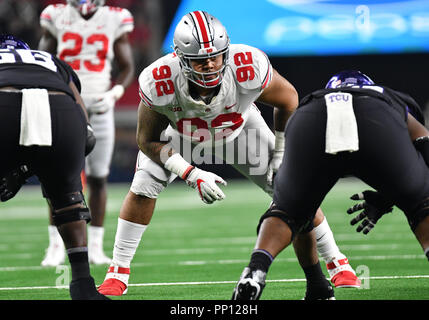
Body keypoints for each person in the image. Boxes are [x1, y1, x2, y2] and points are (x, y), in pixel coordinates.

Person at [97, 11, 359, 296]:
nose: (210, 64)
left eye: (216, 56)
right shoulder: (159, 79)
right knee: (143, 185)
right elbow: (147, 140)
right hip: (181, 134)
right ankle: (118, 270)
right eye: (199, 59)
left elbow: (289, 99)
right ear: (181, 59)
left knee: (292, 190)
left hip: (239, 128)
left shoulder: (247, 64)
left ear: (227, 50)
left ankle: (337, 262)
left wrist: (282, 152)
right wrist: (191, 173)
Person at [231, 70, 429, 300]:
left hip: (311, 118)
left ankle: (258, 269)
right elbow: (422, 146)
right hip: (376, 117)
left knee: (290, 211)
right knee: (422, 204)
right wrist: (391, 196)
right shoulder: (386, 95)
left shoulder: (314, 99)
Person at [0, 34, 108, 300]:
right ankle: (83, 286)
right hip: (60, 109)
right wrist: (28, 169)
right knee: (68, 198)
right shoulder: (49, 60)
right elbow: (87, 133)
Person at [38, 0, 135, 266]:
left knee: (98, 178)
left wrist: (114, 93)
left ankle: (95, 247)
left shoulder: (115, 18)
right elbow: (43, 62)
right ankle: (55, 245)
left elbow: (127, 66)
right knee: (59, 178)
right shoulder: (55, 15)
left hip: (100, 106)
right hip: (66, 104)